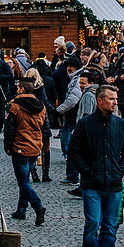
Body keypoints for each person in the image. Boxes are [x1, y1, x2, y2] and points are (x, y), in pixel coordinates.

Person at [67, 84, 124, 247]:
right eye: (112, 99)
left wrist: (121, 169)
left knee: (110, 226)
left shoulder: (120, 124)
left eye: (116, 99)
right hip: (92, 183)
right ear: (100, 101)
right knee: (93, 223)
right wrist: (86, 170)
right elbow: (74, 151)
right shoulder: (86, 124)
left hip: (113, 183)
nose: (116, 102)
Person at [3, 79, 46, 225]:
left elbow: (9, 128)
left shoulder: (14, 106)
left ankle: (37, 205)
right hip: (35, 146)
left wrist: (7, 146)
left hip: (20, 146)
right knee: (25, 179)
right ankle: (21, 209)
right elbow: (45, 127)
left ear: (22, 89)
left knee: (23, 181)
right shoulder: (42, 106)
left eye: (18, 88)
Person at [56, 55, 83, 183]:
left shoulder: (78, 79)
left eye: (70, 66)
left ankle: (73, 175)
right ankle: (72, 174)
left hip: (74, 114)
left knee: (73, 145)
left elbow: (73, 99)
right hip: (72, 113)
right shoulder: (74, 77)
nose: (68, 68)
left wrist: (60, 109)